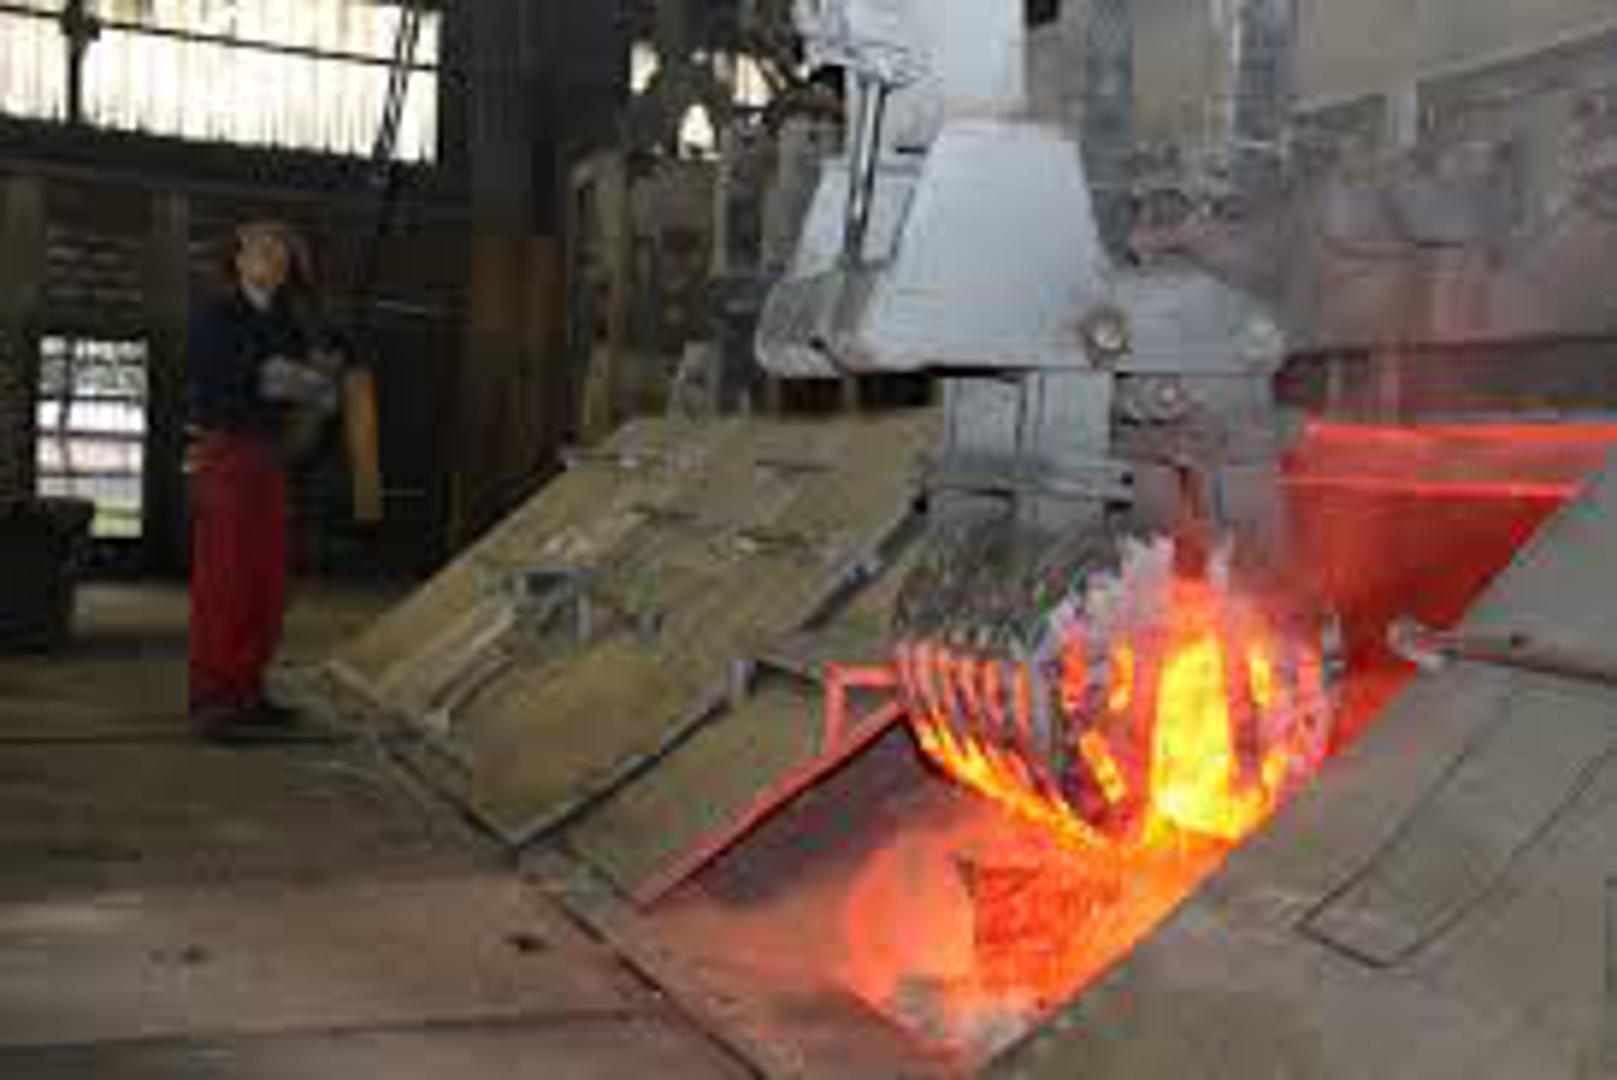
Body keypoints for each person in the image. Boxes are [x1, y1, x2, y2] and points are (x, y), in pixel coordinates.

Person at [188, 222, 337, 743]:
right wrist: (301, 380)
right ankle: (215, 696)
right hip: (228, 450)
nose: (273, 260)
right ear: (237, 259)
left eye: (282, 254)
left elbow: (309, 394)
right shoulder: (217, 315)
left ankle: (248, 689)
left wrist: (312, 385)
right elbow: (245, 380)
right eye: (262, 251)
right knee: (226, 577)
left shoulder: (288, 323)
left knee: (266, 578)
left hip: (270, 456)